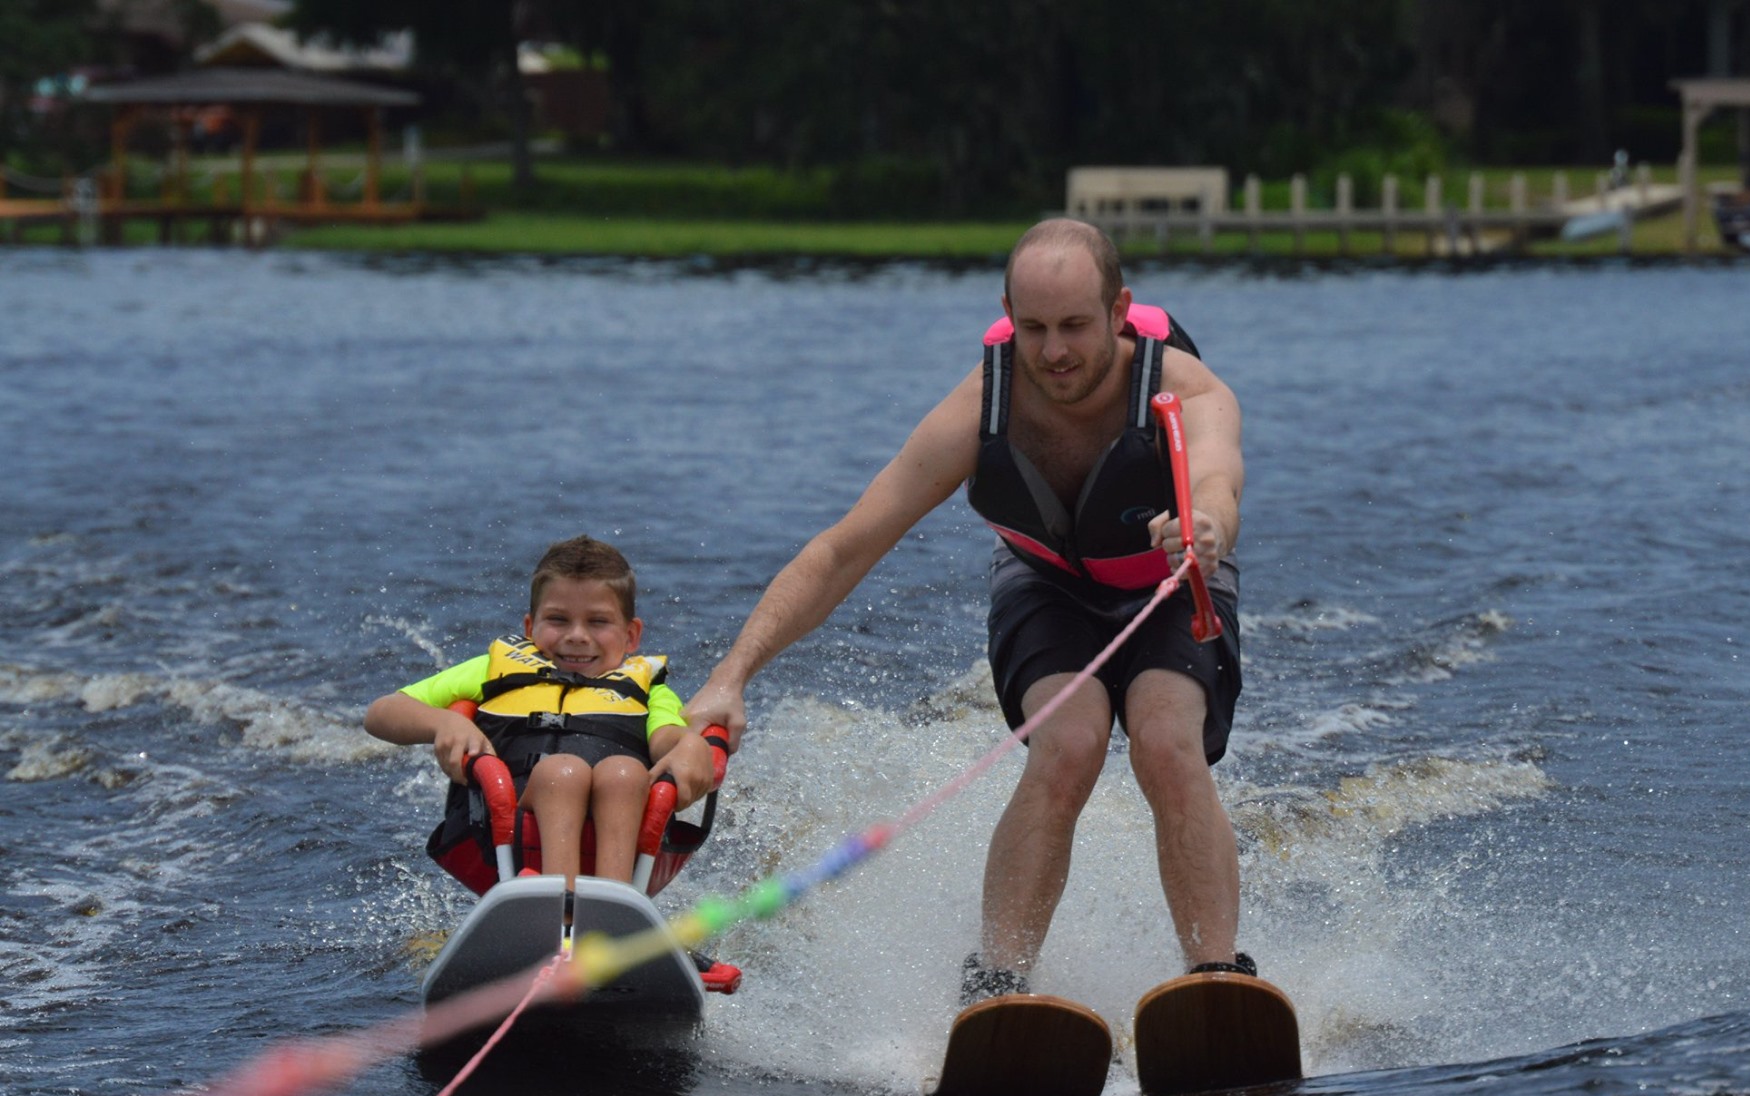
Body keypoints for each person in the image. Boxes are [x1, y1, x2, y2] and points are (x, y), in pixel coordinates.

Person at [687, 219, 1249, 1004]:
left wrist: (1204, 526)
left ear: (1120, 310)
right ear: (1007, 314)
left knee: (1164, 739)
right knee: (1070, 742)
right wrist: (731, 674)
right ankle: (997, 987)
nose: (1053, 352)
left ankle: (1217, 979)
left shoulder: (1186, 390)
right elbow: (845, 549)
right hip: (1046, 584)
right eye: (1034, 327)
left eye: (1076, 326)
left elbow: (1219, 476)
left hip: (1175, 571)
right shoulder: (981, 407)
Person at [365, 535, 717, 889]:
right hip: (507, 825)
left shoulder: (647, 689)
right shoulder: (492, 670)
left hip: (621, 815)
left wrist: (690, 745)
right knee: (562, 773)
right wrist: (444, 721)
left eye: (598, 622)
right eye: (559, 619)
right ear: (530, 628)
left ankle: (616, 905)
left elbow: (667, 738)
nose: (577, 636)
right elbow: (382, 713)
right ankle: (558, 910)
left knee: (624, 773)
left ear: (631, 635)